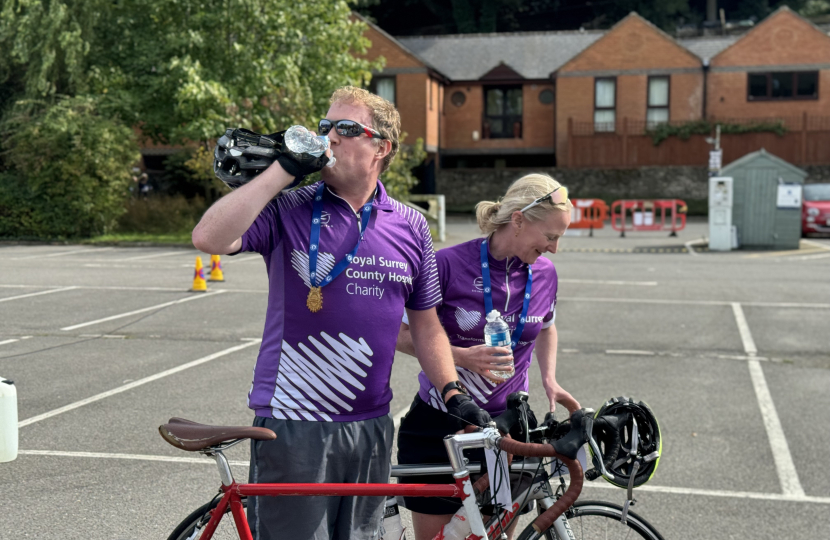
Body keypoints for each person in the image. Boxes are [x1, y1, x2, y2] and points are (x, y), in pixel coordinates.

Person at [191, 86, 490, 540]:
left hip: (370, 423)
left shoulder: (410, 225)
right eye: (325, 126)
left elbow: (426, 324)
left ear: (381, 148)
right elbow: (209, 239)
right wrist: (282, 170)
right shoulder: (289, 207)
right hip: (294, 421)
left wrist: (451, 392)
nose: (329, 137)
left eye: (347, 129)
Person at [395, 173, 581, 540]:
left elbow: (545, 326)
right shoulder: (446, 264)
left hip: (509, 428)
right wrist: (462, 357)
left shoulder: (545, 273)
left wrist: (550, 378)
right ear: (518, 220)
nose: (555, 248)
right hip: (440, 423)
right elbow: (401, 335)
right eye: (550, 236)